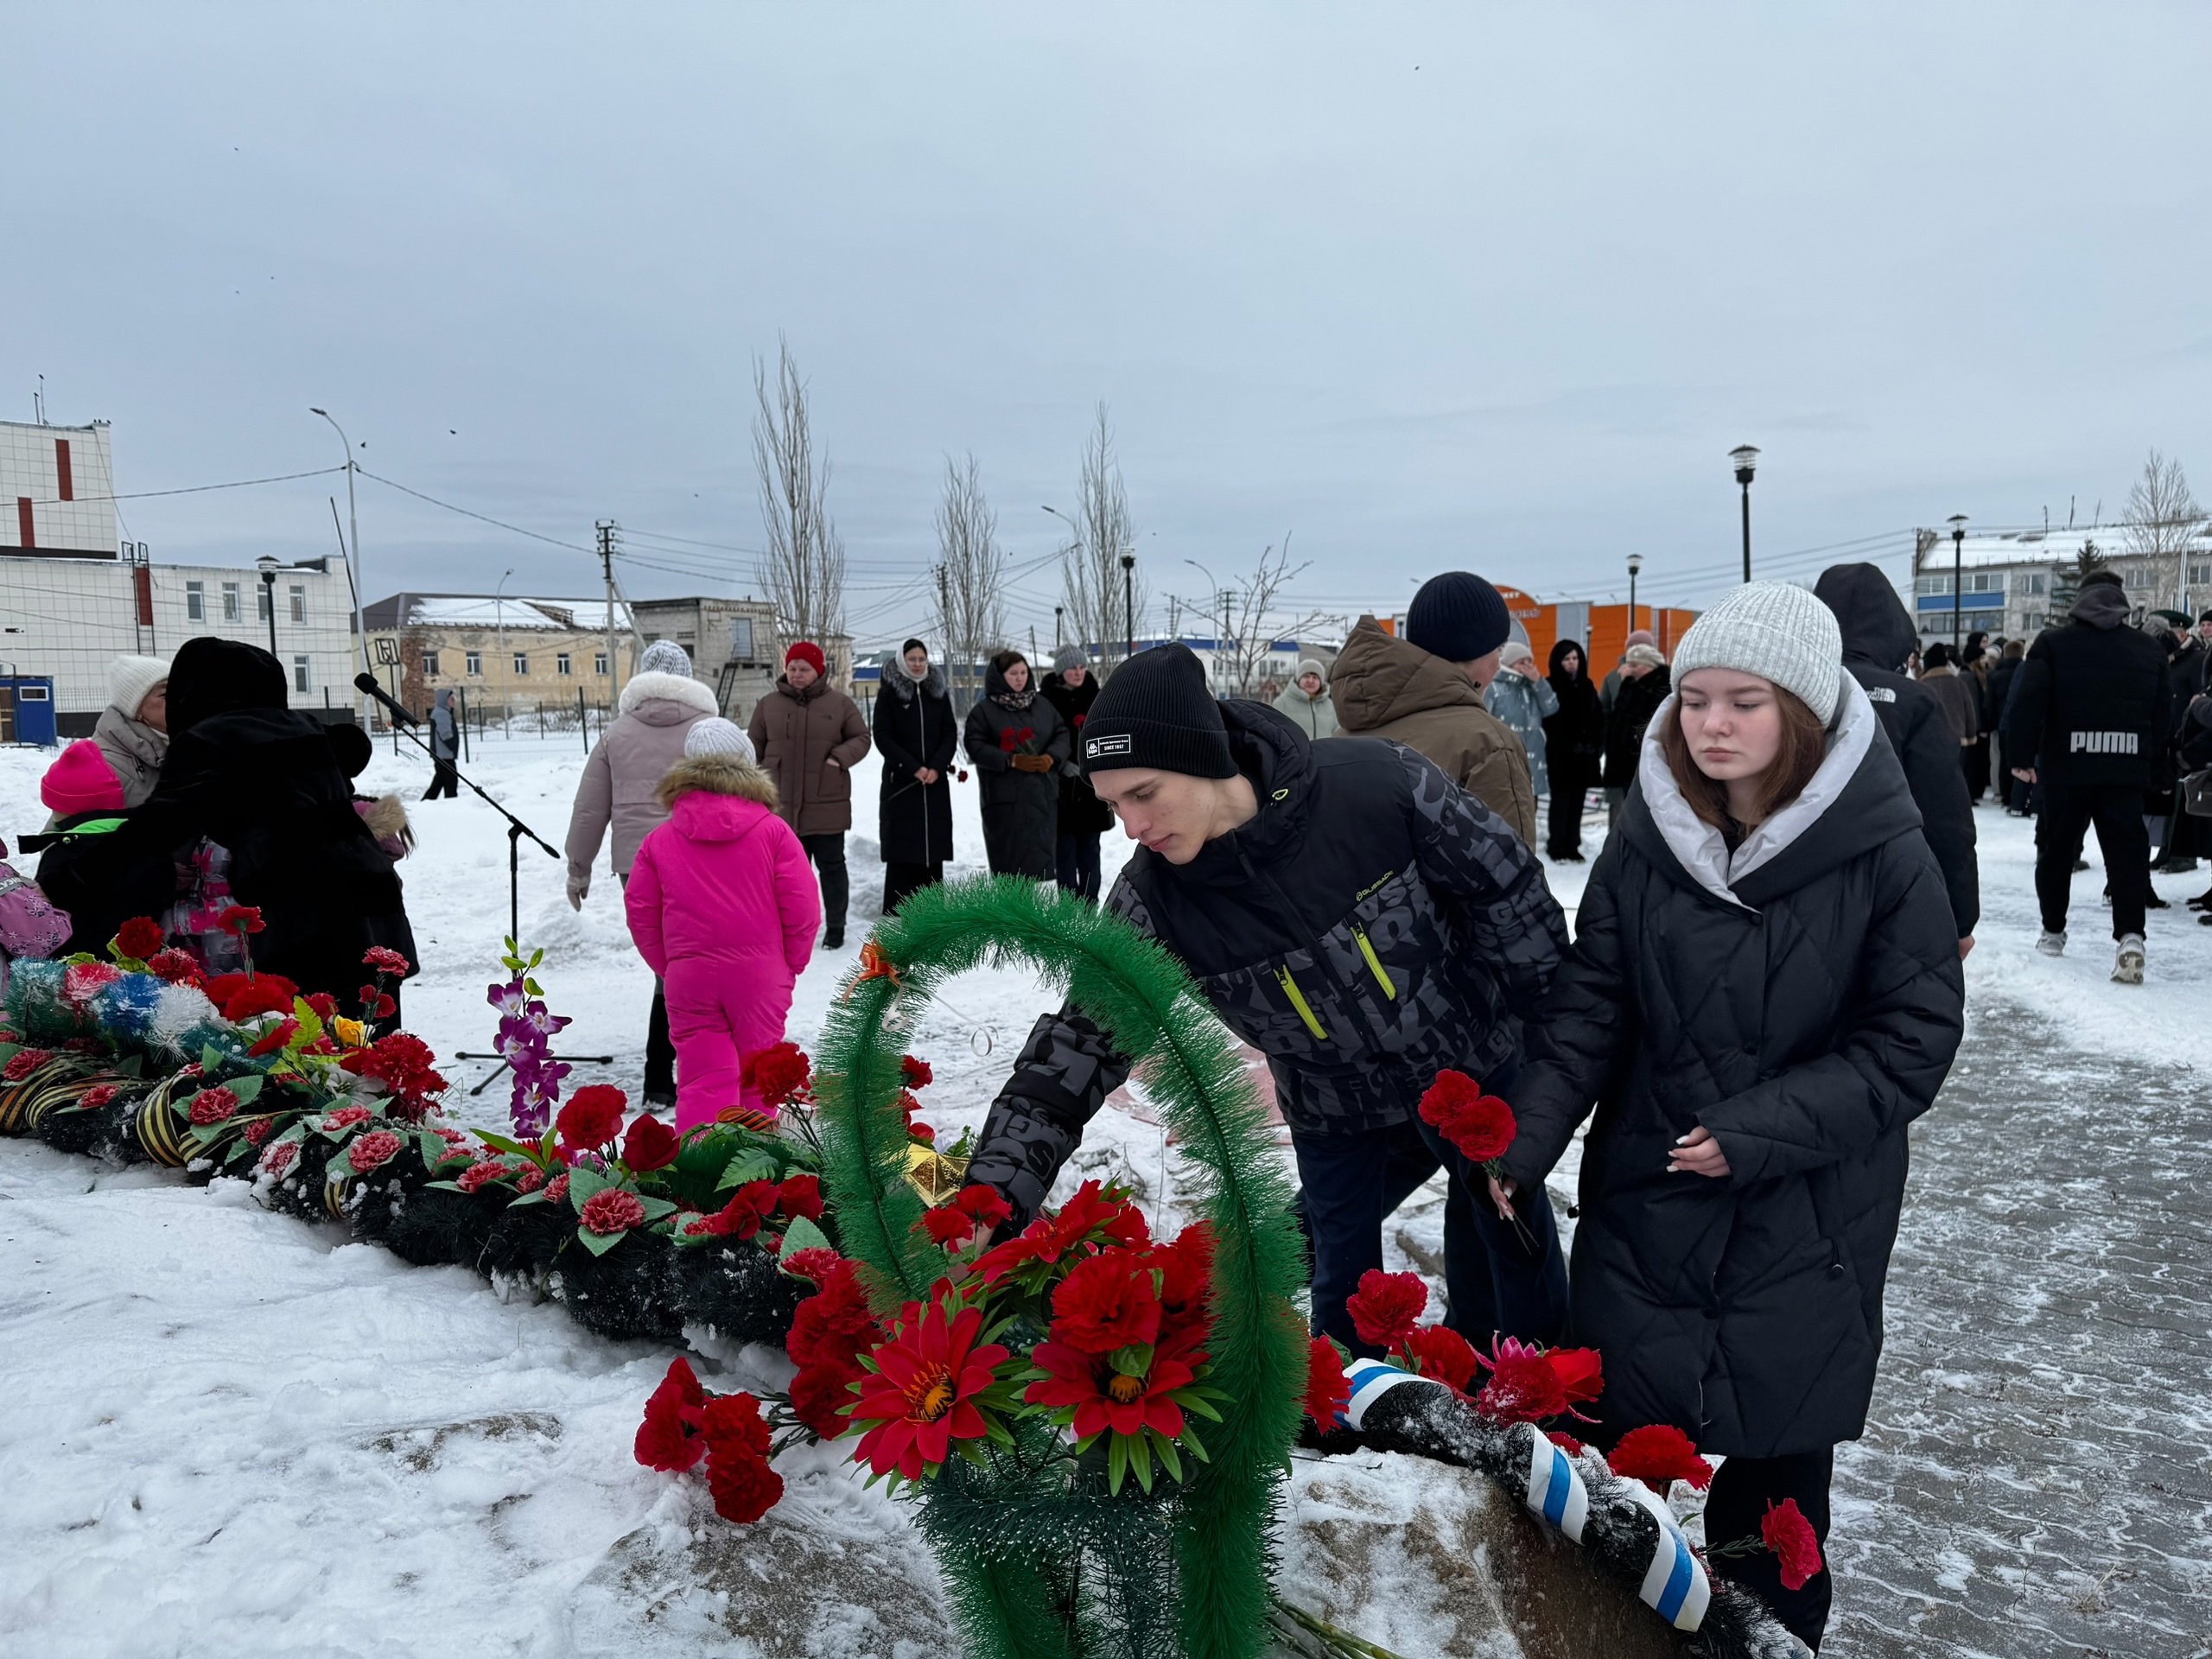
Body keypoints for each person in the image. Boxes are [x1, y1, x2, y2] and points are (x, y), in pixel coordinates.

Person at [1499, 582, 1965, 1651]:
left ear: (1799, 713)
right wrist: (1525, 1140)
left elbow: (1912, 1041)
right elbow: (1590, 1006)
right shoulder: (1647, 837)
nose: (1709, 723)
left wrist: (1761, 1130)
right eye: (1693, 698)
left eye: (1741, 702)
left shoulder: (1885, 854)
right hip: (1651, 1196)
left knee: (1774, 1506)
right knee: (1618, 1488)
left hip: (1809, 1221)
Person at [964, 644, 1572, 1351]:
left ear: (1201, 758)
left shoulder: (1380, 786)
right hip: (1331, 1111)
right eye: (1111, 804)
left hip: (1469, 1066)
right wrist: (993, 1193)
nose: (1130, 827)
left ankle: (1548, 1407)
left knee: (1513, 1238)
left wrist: (1545, 1063)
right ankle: (1357, 1429)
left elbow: (1511, 898)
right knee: (1341, 1287)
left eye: (1143, 793)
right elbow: (1080, 1043)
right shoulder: (1154, 901)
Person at [39, 638, 409, 1003]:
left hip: (297, 921)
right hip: (370, 905)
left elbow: (155, 829)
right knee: (363, 1035)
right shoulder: (303, 727)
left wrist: (67, 881)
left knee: (305, 1042)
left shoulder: (211, 741)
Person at [624, 718, 819, 1134]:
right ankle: (756, 1180)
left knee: (701, 1082)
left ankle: (700, 1177)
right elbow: (802, 907)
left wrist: (671, 964)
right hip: (761, 976)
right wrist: (791, 964)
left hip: (690, 977)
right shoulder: (774, 832)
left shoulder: (659, 840)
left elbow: (641, 910)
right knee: (759, 1079)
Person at [565, 638, 718, 1109]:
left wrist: (578, 868)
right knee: (697, 964)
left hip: (638, 866)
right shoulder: (708, 728)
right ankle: (696, 1070)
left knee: (666, 966)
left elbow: (590, 808)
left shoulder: (617, 733)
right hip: (702, 859)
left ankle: (658, 1078)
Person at [2004, 570, 2171, 982]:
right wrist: (2156, 764)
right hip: (2124, 769)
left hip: (2067, 767)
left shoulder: (2053, 645)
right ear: (2122, 602)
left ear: (2080, 601)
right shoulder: (2147, 649)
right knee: (2127, 855)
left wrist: (2022, 757)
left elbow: (2029, 702)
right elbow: (2162, 717)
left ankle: (2053, 932)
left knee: (2057, 851)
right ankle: (2131, 937)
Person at [1814, 563, 1980, 953]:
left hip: (1784, 896)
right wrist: (1959, 917)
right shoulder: (1913, 701)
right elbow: (1945, 817)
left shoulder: (1784, 692)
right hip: (1890, 896)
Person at [1330, 573, 1539, 846]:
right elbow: (1513, 875)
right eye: (1497, 649)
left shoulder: (1343, 734)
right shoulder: (1488, 745)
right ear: (1475, 649)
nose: (1499, 665)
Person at [748, 640, 871, 950]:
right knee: (786, 875)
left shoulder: (840, 704)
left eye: (804, 669)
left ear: (818, 671)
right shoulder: (768, 704)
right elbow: (752, 749)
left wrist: (838, 758)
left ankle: (835, 927)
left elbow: (862, 737)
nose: (797, 674)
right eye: (792, 668)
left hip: (827, 802)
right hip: (781, 806)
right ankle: (789, 928)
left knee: (832, 868)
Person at [963, 649, 1071, 879]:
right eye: (1013, 673)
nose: (1020, 678)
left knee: (1043, 866)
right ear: (1000, 676)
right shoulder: (984, 711)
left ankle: (1039, 912)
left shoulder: (1042, 705)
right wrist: (1010, 760)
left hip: (1043, 795)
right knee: (1010, 867)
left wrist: (1051, 757)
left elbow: (1061, 732)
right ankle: (1011, 912)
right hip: (1005, 800)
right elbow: (974, 744)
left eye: (1023, 672)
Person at [872, 639, 957, 914]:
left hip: (934, 784)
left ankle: (932, 913)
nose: (918, 664)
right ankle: (898, 914)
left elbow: (950, 732)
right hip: (903, 784)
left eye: (922, 659)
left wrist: (936, 766)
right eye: (913, 659)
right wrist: (913, 768)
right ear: (901, 660)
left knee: (932, 851)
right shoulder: (889, 694)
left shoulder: (938, 692)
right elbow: (882, 736)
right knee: (902, 851)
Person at [1041, 646, 1112, 903]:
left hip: (1092, 786)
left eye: (1082, 667)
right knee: (1065, 850)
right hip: (1061, 789)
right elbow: (1041, 737)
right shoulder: (1047, 699)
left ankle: (1089, 902)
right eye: (1073, 668)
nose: (1079, 672)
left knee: (1091, 849)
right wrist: (1059, 763)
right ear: (1061, 671)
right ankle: (1069, 905)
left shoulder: (1097, 695)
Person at [1540, 639, 1605, 861]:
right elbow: (1549, 721)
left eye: (1575, 658)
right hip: (1561, 756)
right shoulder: (1551, 686)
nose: (1572, 663)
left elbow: (1597, 718)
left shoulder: (1587, 686)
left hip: (1584, 757)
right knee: (1561, 802)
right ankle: (1557, 845)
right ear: (1558, 661)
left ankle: (1572, 844)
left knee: (1578, 802)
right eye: (1567, 659)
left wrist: (1594, 745)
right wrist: (1566, 743)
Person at [1602, 643, 1670, 830]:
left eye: (1634, 665)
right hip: (1628, 763)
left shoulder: (1660, 685)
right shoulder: (1641, 684)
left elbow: (1635, 714)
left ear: (1649, 666)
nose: (1627, 669)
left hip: (1641, 762)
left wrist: (1627, 683)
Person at [1484, 641, 1560, 805]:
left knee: (1529, 818)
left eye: (1529, 662)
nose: (1527, 667)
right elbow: (1482, 722)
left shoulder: (1532, 687)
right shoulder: (1494, 687)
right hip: (1505, 768)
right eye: (1521, 662)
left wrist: (1538, 681)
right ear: (1509, 663)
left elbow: (1552, 707)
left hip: (1532, 767)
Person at [93, 655, 171, 808]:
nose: (182, 698)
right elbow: (67, 829)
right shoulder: (103, 766)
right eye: (166, 695)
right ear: (135, 710)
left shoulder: (194, 745)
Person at [1916, 643, 1980, 779]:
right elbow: (1969, 710)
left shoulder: (1922, 686)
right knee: (1957, 777)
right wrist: (1971, 735)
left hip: (1930, 740)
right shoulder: (1958, 683)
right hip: (1958, 738)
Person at [1986, 638, 2027, 810]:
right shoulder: (2027, 672)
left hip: (2002, 723)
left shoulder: (1995, 675)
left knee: (2001, 759)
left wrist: (1991, 724)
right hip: (2023, 722)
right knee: (2023, 758)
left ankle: (2003, 793)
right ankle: (2020, 794)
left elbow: (1990, 703)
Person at [1275, 657, 1339, 741]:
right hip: (1293, 753)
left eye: (1315, 677)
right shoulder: (1282, 703)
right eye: (1306, 676)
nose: (1310, 681)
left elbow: (1337, 733)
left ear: (1321, 682)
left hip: (1325, 753)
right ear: (1298, 679)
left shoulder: (1330, 705)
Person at [423, 688, 460, 800]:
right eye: (451, 699)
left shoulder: (441, 712)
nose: (454, 701)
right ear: (444, 700)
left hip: (441, 754)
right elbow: (445, 734)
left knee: (440, 779)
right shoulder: (442, 714)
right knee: (451, 779)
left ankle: (427, 800)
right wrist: (452, 745)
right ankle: (451, 801)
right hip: (444, 754)